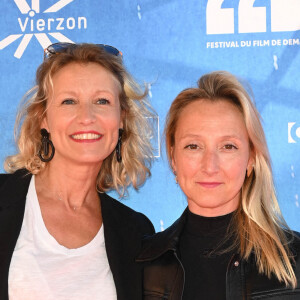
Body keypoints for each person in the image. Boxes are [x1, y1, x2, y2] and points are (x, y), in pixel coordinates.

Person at [0, 43, 155, 300]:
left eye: (102, 101)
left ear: (122, 119)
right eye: (69, 101)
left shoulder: (135, 231)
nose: (87, 116)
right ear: (43, 118)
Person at [137, 71, 300, 299]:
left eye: (228, 147)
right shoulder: (142, 262)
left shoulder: (295, 259)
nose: (210, 166)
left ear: (251, 158)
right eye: (193, 146)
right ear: (173, 158)